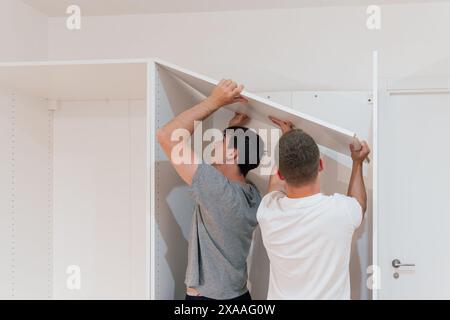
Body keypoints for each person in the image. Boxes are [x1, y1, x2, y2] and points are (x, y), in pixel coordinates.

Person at [156, 79, 264, 300]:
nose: (213, 145)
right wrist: (232, 132)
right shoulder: (252, 195)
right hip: (239, 295)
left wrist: (215, 101)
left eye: (220, 141)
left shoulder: (218, 191)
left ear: (233, 154)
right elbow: (232, 171)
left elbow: (166, 136)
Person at [257, 116, 370, 300]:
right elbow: (359, 203)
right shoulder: (341, 211)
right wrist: (357, 162)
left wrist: (286, 141)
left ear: (280, 173)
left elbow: (275, 185)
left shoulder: (267, 212)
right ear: (321, 165)